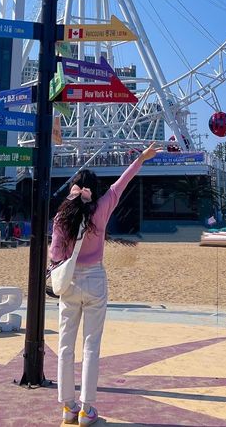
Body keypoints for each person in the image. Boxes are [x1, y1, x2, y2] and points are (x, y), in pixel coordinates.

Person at [50, 142, 161, 427]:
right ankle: (87, 410)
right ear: (94, 190)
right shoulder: (102, 207)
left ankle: (67, 407)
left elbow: (54, 254)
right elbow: (122, 182)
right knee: (91, 346)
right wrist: (142, 158)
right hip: (95, 279)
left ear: (74, 187)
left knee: (65, 346)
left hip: (69, 282)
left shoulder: (62, 216)